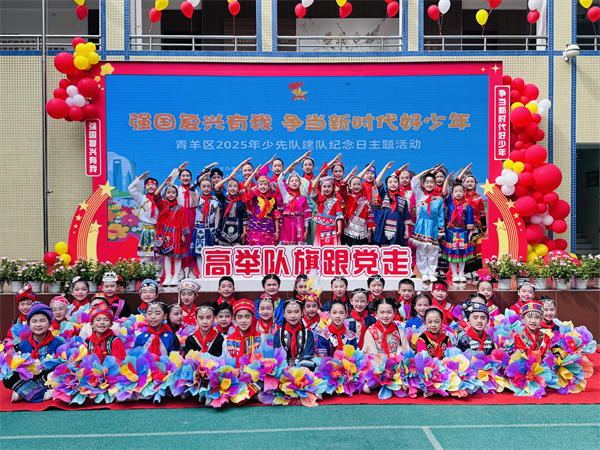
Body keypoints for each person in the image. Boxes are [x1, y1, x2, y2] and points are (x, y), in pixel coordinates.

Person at [5, 302, 61, 402]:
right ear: (29, 325)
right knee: (8, 378)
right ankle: (45, 393)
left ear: (50, 323)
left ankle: (24, 392)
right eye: (34, 321)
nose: (38, 324)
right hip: (28, 378)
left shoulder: (58, 344)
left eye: (42, 321)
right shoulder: (21, 346)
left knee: (62, 374)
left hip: (48, 377)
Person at [410, 165, 449, 283]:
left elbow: (441, 215)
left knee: (433, 251)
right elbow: (414, 181)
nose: (429, 185)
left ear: (435, 184)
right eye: (427, 182)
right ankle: (423, 273)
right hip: (421, 226)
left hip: (433, 226)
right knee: (422, 251)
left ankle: (432, 272)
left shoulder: (438, 199)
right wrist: (426, 171)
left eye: (432, 182)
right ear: (423, 184)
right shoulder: (419, 194)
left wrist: (440, 231)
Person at [128, 171, 167, 276]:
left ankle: (158, 276)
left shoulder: (161, 200)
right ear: (145, 188)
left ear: (157, 187)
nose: (150, 187)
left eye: (153, 185)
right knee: (145, 255)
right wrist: (140, 178)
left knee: (159, 255)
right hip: (147, 230)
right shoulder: (142, 198)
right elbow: (131, 188)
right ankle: (145, 275)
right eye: (148, 185)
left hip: (158, 230)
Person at [155, 184, 191, 286]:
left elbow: (183, 221)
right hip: (166, 235)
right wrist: (164, 184)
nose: (171, 194)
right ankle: (168, 277)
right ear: (165, 194)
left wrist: (183, 235)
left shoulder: (180, 208)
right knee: (167, 256)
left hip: (177, 234)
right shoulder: (162, 205)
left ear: (176, 194)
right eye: (168, 192)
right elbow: (156, 195)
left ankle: (176, 276)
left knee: (177, 257)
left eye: (173, 192)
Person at [440, 181, 475, 283]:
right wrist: (447, 180)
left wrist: (470, 233)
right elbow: (444, 193)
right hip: (451, 232)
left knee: (462, 255)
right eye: (456, 191)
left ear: (464, 193)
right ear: (452, 194)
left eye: (460, 191)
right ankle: (454, 274)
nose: (458, 193)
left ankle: (461, 273)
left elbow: (470, 221)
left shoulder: (468, 207)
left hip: (463, 233)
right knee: (452, 254)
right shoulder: (450, 203)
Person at [372, 162, 411, 247]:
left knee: (395, 247)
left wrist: (406, 230)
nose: (393, 184)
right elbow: (377, 181)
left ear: (399, 184)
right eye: (390, 182)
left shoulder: (403, 200)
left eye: (395, 182)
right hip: (384, 224)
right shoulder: (384, 195)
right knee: (384, 247)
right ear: (387, 185)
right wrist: (385, 168)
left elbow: (406, 217)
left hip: (398, 225)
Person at [213, 158, 251, 246]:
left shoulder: (241, 203)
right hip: (224, 231)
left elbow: (244, 219)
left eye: (235, 186)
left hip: (238, 231)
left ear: (238, 189)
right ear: (227, 189)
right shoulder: (224, 199)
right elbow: (216, 188)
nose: (232, 188)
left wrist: (244, 232)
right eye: (230, 186)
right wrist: (228, 179)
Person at [190, 174, 221, 278]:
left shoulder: (215, 201)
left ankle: (209, 273)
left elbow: (217, 217)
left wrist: (216, 230)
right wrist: (200, 179)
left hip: (210, 229)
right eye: (203, 186)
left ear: (211, 188)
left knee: (210, 252)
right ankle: (201, 273)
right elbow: (191, 189)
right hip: (199, 229)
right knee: (199, 253)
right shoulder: (197, 199)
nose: (206, 188)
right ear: (200, 188)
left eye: (208, 186)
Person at [311, 159, 345, 246]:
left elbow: (339, 217)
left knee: (332, 247)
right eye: (324, 186)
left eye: (329, 186)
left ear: (333, 188)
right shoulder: (319, 200)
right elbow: (313, 187)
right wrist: (320, 175)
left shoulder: (336, 201)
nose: (326, 188)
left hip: (333, 228)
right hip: (320, 227)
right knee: (320, 246)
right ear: (321, 188)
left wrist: (339, 230)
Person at [244, 164, 281, 245]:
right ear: (257, 187)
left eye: (265, 184)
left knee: (268, 248)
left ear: (269, 187)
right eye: (261, 184)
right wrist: (254, 173)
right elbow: (246, 185)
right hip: (256, 226)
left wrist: (277, 231)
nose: (263, 186)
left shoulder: (273, 200)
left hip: (269, 227)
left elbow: (276, 217)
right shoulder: (255, 197)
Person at [274, 298, 316, 369]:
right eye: (289, 312)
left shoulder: (308, 334)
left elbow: (307, 356)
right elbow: (278, 358)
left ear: (302, 313)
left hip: (303, 370)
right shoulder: (278, 333)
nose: (293, 316)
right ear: (284, 314)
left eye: (296, 312)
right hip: (282, 370)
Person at [340, 169, 376, 246]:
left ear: (361, 186)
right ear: (349, 186)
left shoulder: (366, 201)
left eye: (358, 184)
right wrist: (350, 175)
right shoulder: (347, 197)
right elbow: (341, 187)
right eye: (354, 184)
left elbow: (370, 216)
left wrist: (370, 231)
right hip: (348, 231)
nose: (356, 186)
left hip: (363, 233)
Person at [461, 171, 487, 279]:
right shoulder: (461, 196)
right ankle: (467, 270)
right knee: (466, 248)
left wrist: (484, 226)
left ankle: (475, 270)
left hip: (476, 225)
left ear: (475, 183)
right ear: (463, 183)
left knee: (476, 248)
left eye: (472, 181)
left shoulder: (478, 197)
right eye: (467, 181)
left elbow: (482, 212)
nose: (470, 183)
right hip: (464, 226)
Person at [226, 299, 262, 365]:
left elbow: (263, 362)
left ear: (252, 318)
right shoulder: (227, 341)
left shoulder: (260, 338)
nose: (243, 321)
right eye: (239, 317)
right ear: (234, 319)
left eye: (247, 317)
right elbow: (227, 365)